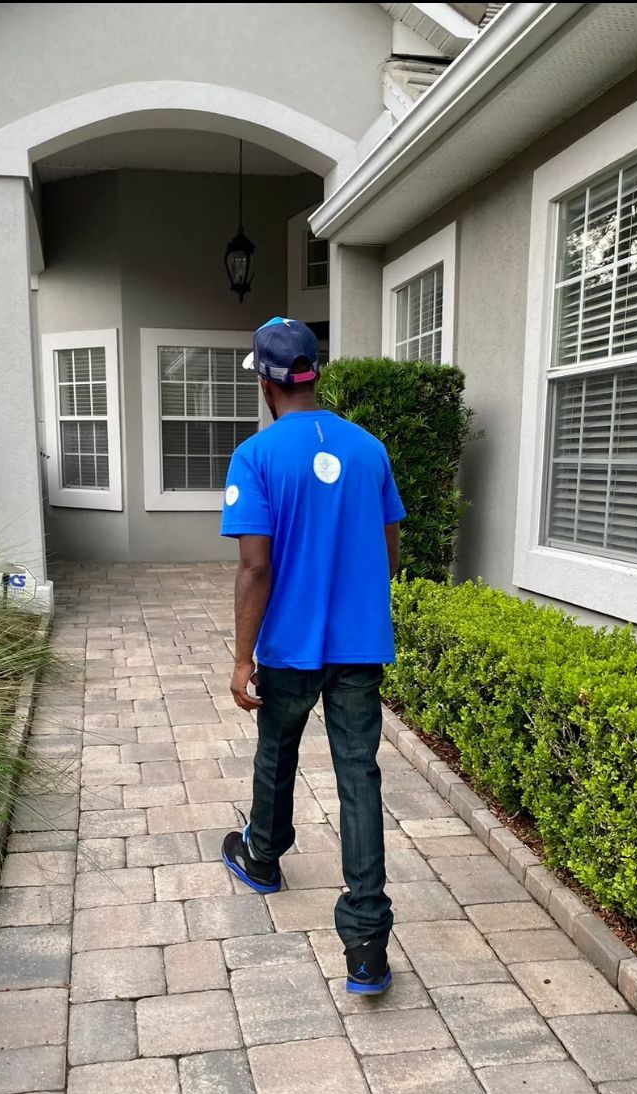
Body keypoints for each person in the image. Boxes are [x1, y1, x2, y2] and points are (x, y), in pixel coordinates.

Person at [220, 317, 405, 995]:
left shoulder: (256, 457)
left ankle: (263, 855)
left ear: (267, 382)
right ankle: (366, 943)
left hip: (291, 646)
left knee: (279, 750)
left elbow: (255, 567)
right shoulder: (370, 450)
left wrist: (243, 659)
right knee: (359, 775)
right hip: (358, 646)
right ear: (313, 373)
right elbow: (389, 551)